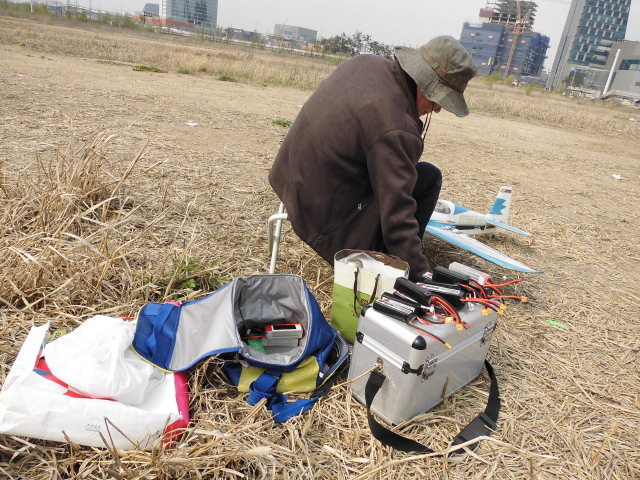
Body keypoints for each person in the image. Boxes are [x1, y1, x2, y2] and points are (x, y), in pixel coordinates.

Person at [269, 36, 476, 280]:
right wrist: (419, 275)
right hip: (324, 219)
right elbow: (397, 215)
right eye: (438, 99)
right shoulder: (397, 127)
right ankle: (396, 266)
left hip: (291, 177)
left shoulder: (366, 63)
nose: (438, 108)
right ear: (424, 85)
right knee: (421, 186)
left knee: (427, 176)